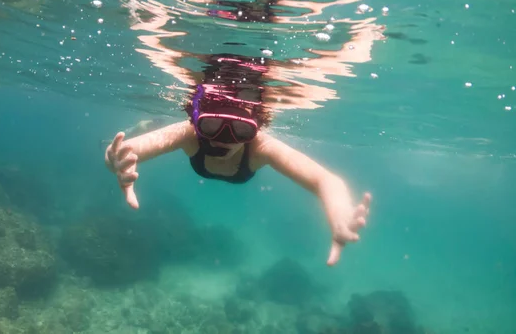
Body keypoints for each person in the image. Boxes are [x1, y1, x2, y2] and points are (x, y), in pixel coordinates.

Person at [105, 55, 371, 266]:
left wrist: (339, 214)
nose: (224, 138)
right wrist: (115, 159)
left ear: (256, 128)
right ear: (197, 124)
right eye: (211, 126)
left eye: (241, 130)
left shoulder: (261, 147)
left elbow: (325, 180)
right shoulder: (189, 135)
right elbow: (127, 150)